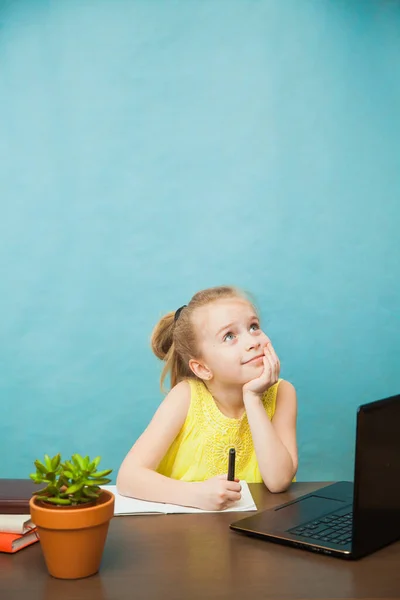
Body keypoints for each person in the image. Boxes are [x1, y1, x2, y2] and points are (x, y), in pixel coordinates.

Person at [117, 285, 298, 511]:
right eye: (229, 336)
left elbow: (278, 481)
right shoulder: (185, 397)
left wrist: (252, 398)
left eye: (253, 327)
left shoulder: (283, 393)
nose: (253, 342)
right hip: (184, 530)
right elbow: (128, 477)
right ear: (202, 368)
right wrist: (196, 494)